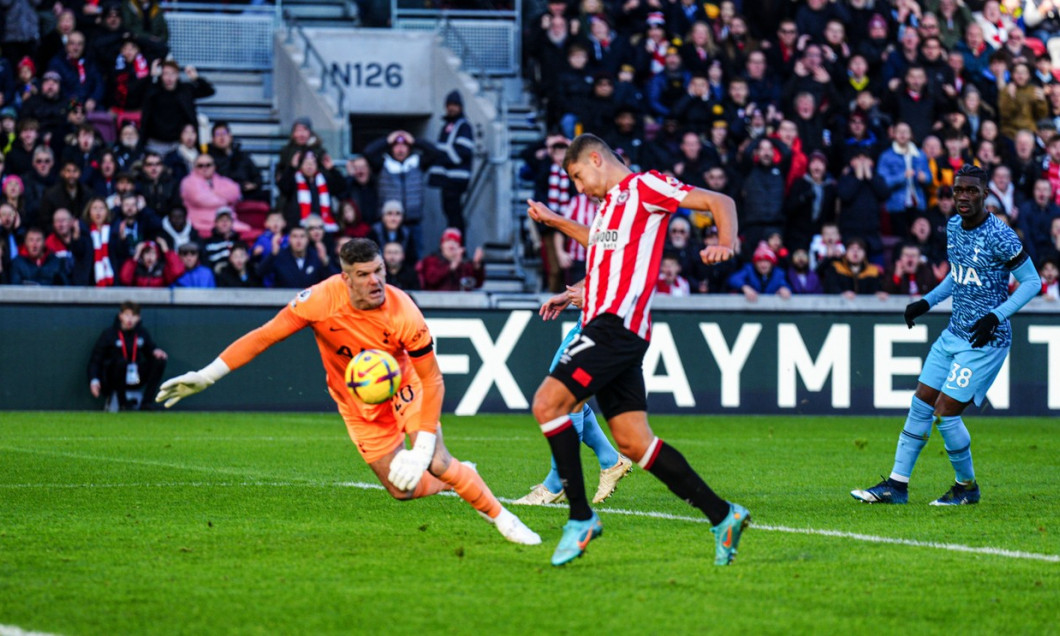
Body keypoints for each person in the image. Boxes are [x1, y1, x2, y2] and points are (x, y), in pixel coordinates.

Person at [154, 238, 540, 545]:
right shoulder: (319, 300)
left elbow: (433, 379)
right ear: (346, 278)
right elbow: (265, 336)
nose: (376, 281)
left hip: (404, 386)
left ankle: (504, 519)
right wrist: (208, 375)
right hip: (355, 403)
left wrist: (422, 447)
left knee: (437, 459)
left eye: (379, 271)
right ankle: (462, 476)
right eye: (364, 274)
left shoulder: (404, 312)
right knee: (401, 490)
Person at [526, 133, 749, 567]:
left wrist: (726, 242)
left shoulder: (647, 187)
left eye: (577, 177)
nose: (578, 188)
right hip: (610, 327)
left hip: (615, 328)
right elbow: (602, 246)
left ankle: (580, 517)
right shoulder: (609, 208)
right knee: (633, 441)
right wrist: (556, 225)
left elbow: (721, 201)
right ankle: (724, 515)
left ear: (596, 159)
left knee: (548, 403)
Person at [852, 165, 1042, 506]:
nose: (963, 197)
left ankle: (966, 488)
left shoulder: (1001, 235)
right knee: (921, 402)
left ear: (986, 194)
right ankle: (896, 485)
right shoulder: (954, 226)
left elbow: (1032, 282)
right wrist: (926, 301)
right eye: (958, 190)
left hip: (986, 340)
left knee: (946, 412)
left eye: (971, 190)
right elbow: (959, 275)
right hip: (954, 333)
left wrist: (997, 315)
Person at [513, 281, 633, 506]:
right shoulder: (607, 247)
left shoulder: (633, 247)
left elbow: (631, 278)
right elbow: (600, 268)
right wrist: (569, 295)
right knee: (567, 396)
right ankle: (610, 461)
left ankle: (557, 483)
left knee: (561, 396)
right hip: (590, 323)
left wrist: (590, 297)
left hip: (606, 325)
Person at [89, 300, 168, 411]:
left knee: (159, 360)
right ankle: (123, 404)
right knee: (120, 362)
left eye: (134, 315)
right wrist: (94, 380)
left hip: (135, 376)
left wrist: (155, 351)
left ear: (138, 317)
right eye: (127, 315)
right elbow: (96, 359)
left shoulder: (142, 333)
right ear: (120, 316)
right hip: (114, 377)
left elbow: (150, 349)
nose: (130, 319)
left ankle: (146, 403)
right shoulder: (109, 334)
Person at [427, 90, 475, 233]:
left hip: (456, 179)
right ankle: (453, 242)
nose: (451, 108)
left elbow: (462, 152)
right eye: (449, 105)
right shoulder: (449, 125)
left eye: (454, 105)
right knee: (449, 212)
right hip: (447, 180)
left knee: (454, 214)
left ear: (460, 107)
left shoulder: (464, 126)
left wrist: (441, 157)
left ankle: (458, 244)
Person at [416, 227, 485, 291]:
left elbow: (476, 284)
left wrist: (477, 266)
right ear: (442, 245)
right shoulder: (431, 261)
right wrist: (451, 267)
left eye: (455, 241)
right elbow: (431, 279)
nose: (451, 244)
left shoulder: (465, 265)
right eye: (448, 241)